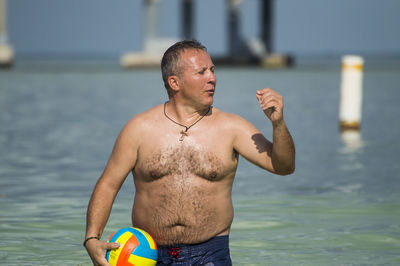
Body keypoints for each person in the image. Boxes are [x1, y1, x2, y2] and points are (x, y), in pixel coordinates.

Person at [84, 40, 295, 265]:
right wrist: (91, 238)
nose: (212, 78)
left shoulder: (232, 128)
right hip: (148, 254)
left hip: (211, 254)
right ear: (175, 82)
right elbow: (109, 184)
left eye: (212, 70)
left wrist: (278, 124)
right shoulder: (139, 129)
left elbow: (283, 166)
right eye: (201, 72)